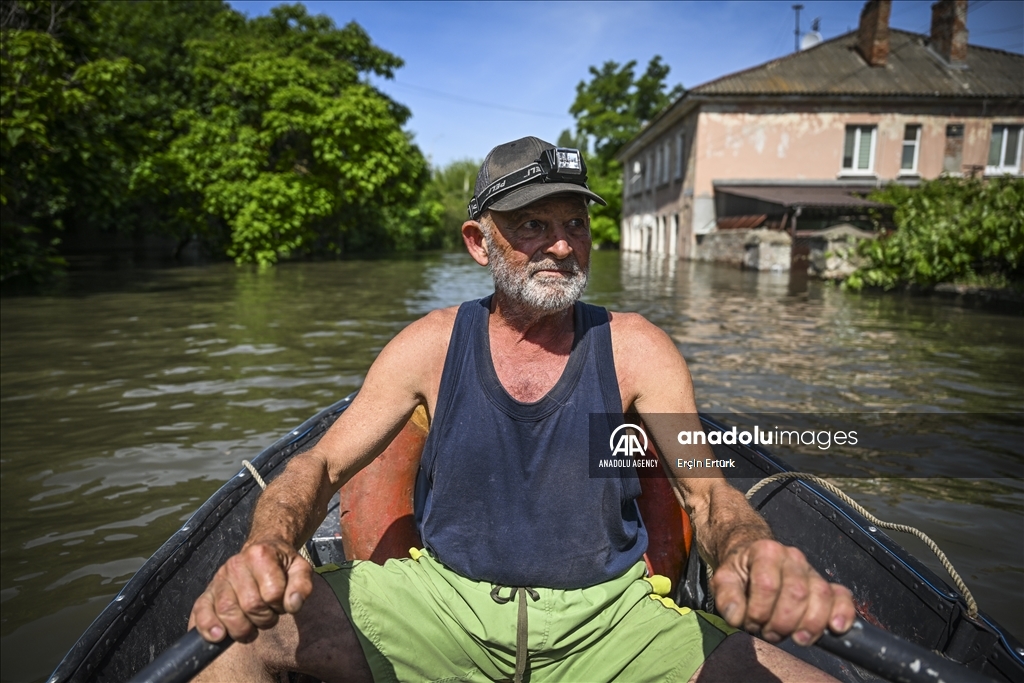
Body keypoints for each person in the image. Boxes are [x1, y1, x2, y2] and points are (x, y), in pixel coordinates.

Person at [189, 136, 856, 682]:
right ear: (480, 242)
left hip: (609, 624)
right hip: (442, 606)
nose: (562, 244)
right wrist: (267, 544)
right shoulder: (428, 345)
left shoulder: (638, 349)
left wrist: (751, 548)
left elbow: (708, 495)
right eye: (533, 225)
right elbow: (320, 463)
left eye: (574, 222)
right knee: (232, 640)